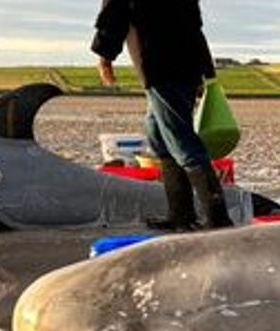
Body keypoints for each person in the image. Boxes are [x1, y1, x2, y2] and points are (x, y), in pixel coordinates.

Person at [91, 0, 232, 230]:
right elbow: (194, 23)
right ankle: (180, 215)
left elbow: (114, 12)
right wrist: (206, 70)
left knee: (180, 139)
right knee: (158, 135)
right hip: (186, 64)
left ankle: (218, 218)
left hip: (160, 64)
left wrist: (104, 56)